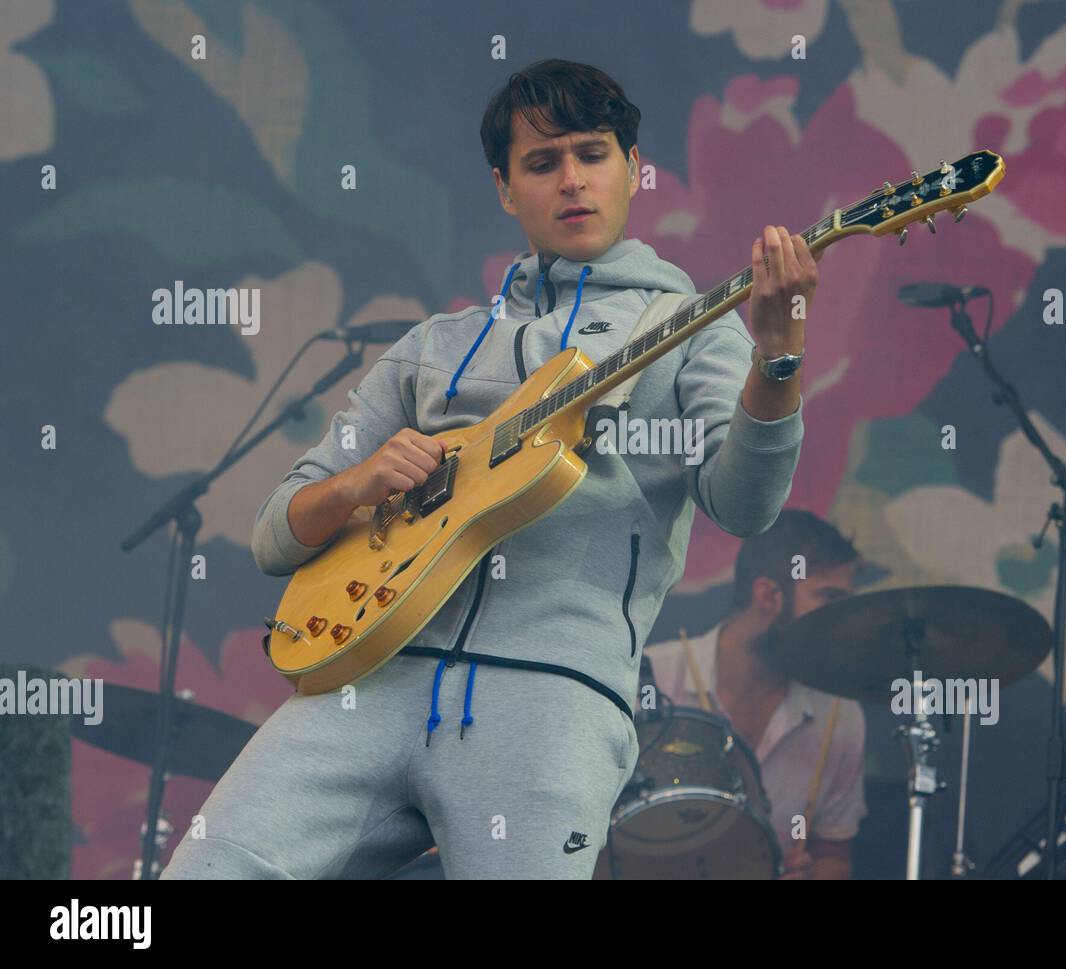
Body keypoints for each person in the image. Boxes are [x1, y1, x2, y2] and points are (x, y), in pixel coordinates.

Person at [161, 58, 820, 879]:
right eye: (543, 163)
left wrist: (779, 357)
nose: (572, 180)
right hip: (369, 676)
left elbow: (746, 503)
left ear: (633, 169)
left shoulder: (693, 325)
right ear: (506, 189)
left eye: (593, 154)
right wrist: (360, 483)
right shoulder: (431, 346)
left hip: (551, 696)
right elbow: (275, 533)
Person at [646, 510, 867, 879]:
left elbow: (834, 855)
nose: (842, 620)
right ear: (768, 595)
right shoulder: (652, 678)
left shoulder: (840, 715)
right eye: (829, 598)